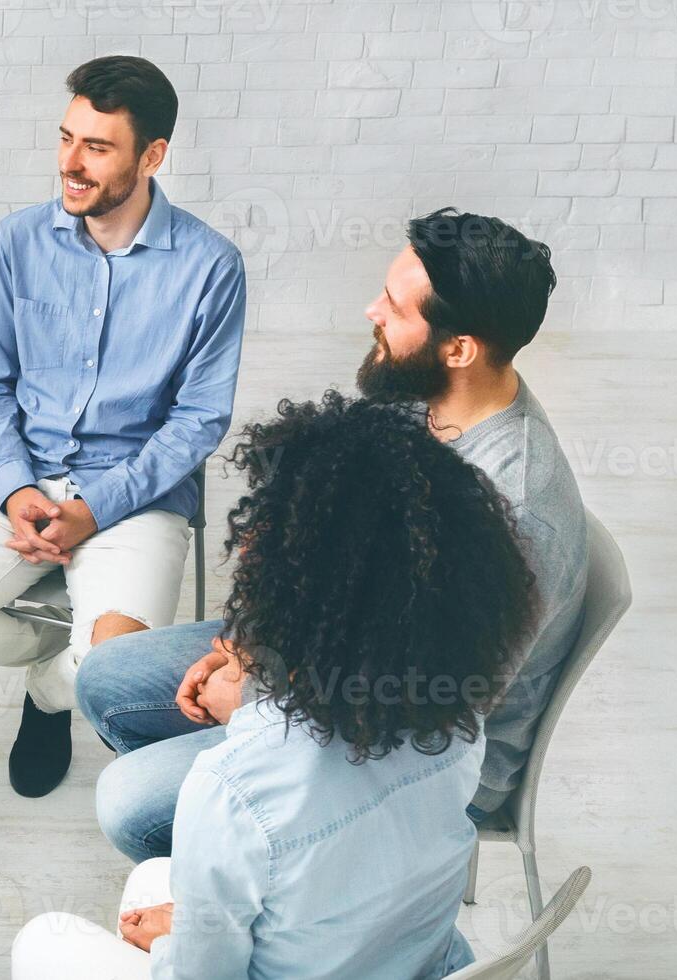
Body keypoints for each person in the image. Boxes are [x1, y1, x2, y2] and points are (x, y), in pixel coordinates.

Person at [78, 208, 587, 859]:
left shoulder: (515, 511)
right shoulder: (421, 398)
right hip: (344, 656)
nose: (372, 309)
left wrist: (259, 702)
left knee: (128, 803)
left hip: (419, 758)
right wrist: (253, 642)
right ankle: (235, 830)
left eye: (397, 308)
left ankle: (267, 880)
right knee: (107, 679)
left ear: (460, 348)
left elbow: (423, 709)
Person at [12, 392, 536, 978]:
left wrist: (175, 941)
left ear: (287, 592)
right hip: (409, 963)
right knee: (154, 882)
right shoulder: (459, 722)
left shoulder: (234, 789)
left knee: (43, 939)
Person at [0, 55, 247, 799]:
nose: (70, 164)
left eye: (97, 147)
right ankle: (58, 644)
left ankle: (49, 693)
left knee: (110, 677)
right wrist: (16, 489)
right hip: (22, 476)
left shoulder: (211, 266)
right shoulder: (17, 243)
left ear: (152, 156)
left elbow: (196, 423)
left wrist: (93, 511)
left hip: (134, 495)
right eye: (65, 138)